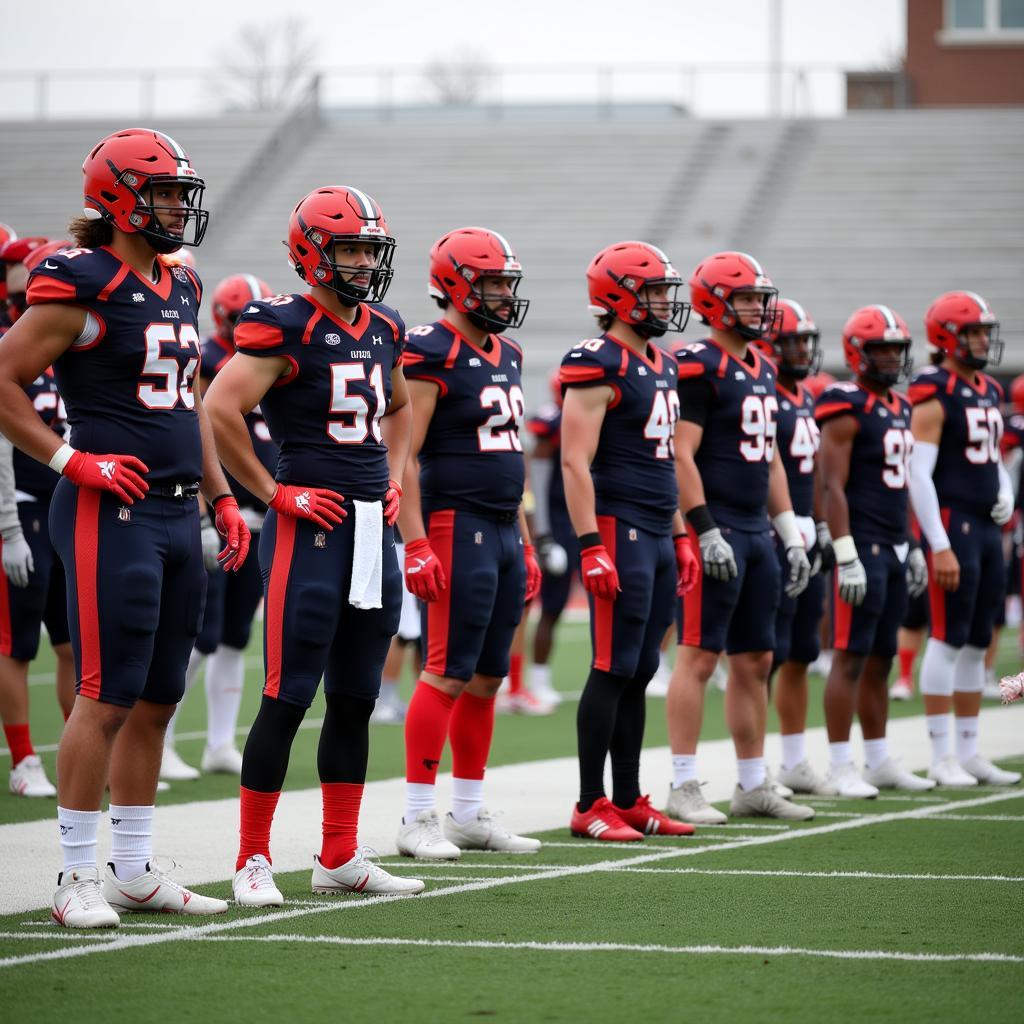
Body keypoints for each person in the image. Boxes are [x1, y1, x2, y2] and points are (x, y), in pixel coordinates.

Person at [0, 128, 250, 928]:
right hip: (112, 513)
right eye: (165, 192)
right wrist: (73, 461)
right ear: (115, 197)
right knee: (104, 697)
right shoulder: (78, 278)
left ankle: (133, 869)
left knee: (157, 700)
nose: (179, 207)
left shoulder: (180, 281)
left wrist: (223, 497)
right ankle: (73, 877)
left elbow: (190, 406)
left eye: (182, 192)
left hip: (179, 509)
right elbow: (3, 380)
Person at [205, 185, 425, 904]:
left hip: (370, 530)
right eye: (350, 248)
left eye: (370, 248)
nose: (363, 262)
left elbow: (400, 407)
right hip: (311, 530)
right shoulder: (284, 324)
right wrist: (274, 493)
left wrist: (392, 475)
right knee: (287, 695)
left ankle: (339, 854)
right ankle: (252, 859)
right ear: (312, 253)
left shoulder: (384, 325)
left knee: (357, 697)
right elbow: (218, 407)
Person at [395, 226, 542, 859]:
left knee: (486, 679)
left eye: (507, 283)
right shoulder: (432, 350)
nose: (504, 295)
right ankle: (416, 817)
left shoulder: (505, 351)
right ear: (454, 285)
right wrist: (416, 541)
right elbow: (402, 454)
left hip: (504, 528)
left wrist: (529, 540)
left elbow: (514, 457)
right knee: (445, 673)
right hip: (457, 526)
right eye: (491, 283)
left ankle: (469, 812)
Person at [667, 251, 813, 824]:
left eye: (759, 298)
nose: (756, 308)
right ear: (714, 303)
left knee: (756, 659)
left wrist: (790, 533)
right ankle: (682, 783)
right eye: (746, 298)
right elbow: (681, 452)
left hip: (757, 528)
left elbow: (771, 458)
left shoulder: (763, 366)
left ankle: (753, 783)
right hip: (718, 525)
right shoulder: (699, 365)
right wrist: (702, 528)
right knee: (699, 656)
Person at [560, 240, 699, 841]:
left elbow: (664, 460)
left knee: (641, 668)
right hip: (618, 527)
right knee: (611, 665)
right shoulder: (599, 361)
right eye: (654, 291)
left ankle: (628, 797)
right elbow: (573, 460)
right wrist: (590, 543)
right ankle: (590, 802)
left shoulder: (662, 362)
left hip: (657, 530)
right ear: (618, 296)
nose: (666, 303)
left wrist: (682, 534)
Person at [161, 272, 277, 780]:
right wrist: (208, 516)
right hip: (216, 514)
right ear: (221, 320)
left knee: (233, 637)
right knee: (199, 636)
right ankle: (160, 739)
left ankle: (219, 742)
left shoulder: (275, 356)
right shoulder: (207, 359)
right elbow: (201, 428)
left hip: (257, 515)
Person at [816, 305, 934, 796]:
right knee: (849, 655)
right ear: (857, 353)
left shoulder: (900, 406)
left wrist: (914, 545)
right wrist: (845, 552)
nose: (889, 358)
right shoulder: (845, 403)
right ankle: (842, 764)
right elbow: (831, 486)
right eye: (879, 349)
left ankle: (880, 757)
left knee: (883, 655)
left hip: (893, 543)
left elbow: (903, 484)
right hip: (860, 543)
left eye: (895, 349)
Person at [908, 291, 1020, 786]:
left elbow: (993, 456)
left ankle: (970, 750)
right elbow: (919, 474)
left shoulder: (987, 390)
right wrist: (939, 544)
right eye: (972, 332)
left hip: (986, 526)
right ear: (947, 337)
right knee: (948, 638)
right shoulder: (935, 390)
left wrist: (1004, 491)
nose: (981, 341)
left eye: (983, 332)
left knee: (978, 640)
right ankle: (940, 755)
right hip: (953, 524)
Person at [0, 238, 76, 796]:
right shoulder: (16, 346)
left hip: (67, 511)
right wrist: (7, 527)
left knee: (73, 644)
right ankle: (24, 759)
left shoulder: (74, 344)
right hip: (24, 511)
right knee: (17, 644)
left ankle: (81, 754)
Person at [753, 299, 832, 796]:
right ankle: (754, 764)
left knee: (802, 650)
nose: (801, 350)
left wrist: (820, 525)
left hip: (803, 528)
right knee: (767, 655)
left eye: (805, 341)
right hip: (770, 531)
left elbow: (814, 472)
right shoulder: (762, 394)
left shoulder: (803, 395)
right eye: (791, 341)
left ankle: (795, 759)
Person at [526, 369, 576, 709]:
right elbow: (539, 484)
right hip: (558, 522)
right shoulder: (553, 424)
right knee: (551, 607)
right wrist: (543, 536)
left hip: (583, 520)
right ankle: (536, 678)